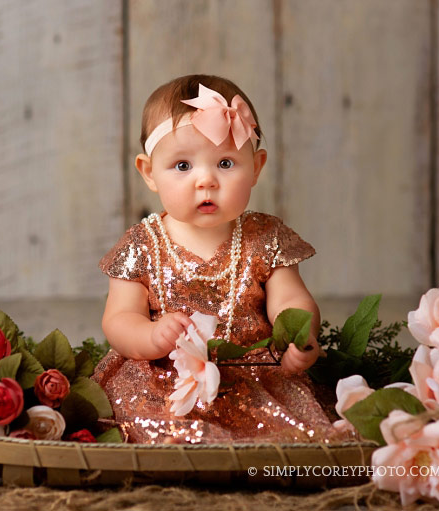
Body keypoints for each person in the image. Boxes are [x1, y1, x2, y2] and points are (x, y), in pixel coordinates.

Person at [93, 74, 354, 444]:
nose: (206, 181)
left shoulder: (265, 236)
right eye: (183, 166)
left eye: (226, 164)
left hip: (254, 372)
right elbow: (119, 318)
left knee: (290, 430)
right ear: (149, 173)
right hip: (163, 379)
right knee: (143, 421)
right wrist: (152, 335)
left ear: (256, 167)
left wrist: (298, 337)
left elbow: (291, 300)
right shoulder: (141, 243)